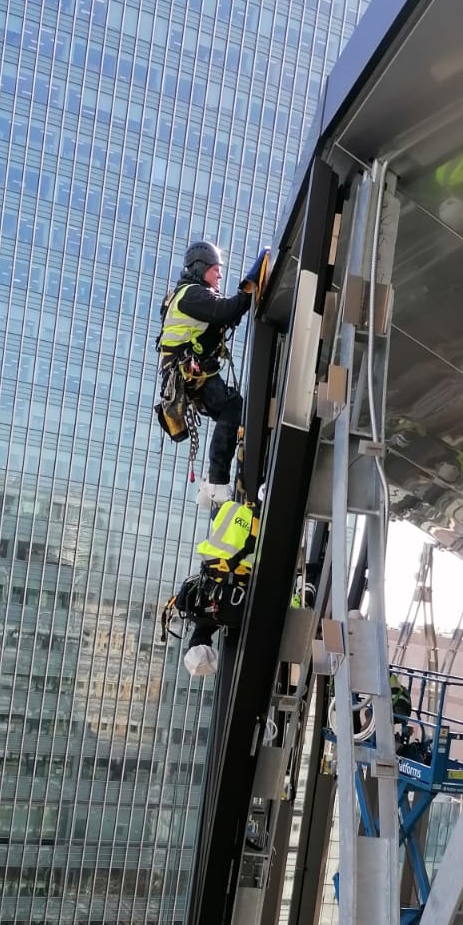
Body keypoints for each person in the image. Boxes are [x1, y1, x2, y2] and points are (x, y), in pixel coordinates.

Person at [157, 239, 270, 506]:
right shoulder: (192, 295)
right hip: (189, 372)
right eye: (215, 269)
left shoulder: (189, 295)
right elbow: (229, 310)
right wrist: (254, 276)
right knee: (233, 408)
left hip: (191, 373)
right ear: (200, 268)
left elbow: (227, 316)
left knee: (233, 409)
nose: (219, 274)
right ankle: (216, 481)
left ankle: (212, 482)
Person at [178, 498, 260, 679]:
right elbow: (202, 632)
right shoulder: (225, 511)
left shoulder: (228, 615)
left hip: (255, 541)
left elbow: (204, 632)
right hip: (242, 546)